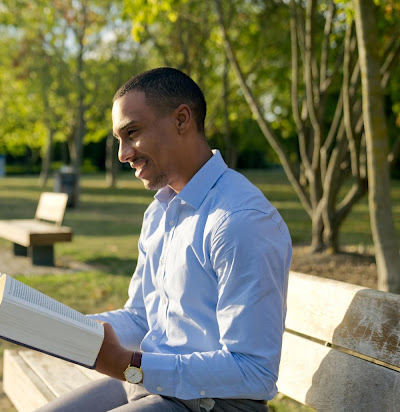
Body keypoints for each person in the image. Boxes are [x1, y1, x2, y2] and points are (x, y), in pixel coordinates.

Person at [36, 67, 292, 412]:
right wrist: (73, 328)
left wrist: (133, 366)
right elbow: (143, 317)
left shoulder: (240, 220)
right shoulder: (159, 213)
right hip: (150, 385)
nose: (122, 154)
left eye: (133, 133)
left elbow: (255, 371)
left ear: (182, 120)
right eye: (119, 139)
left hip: (215, 404)